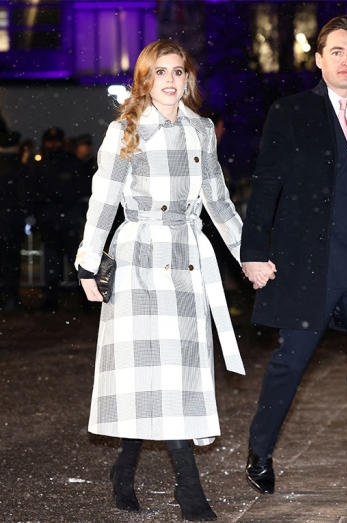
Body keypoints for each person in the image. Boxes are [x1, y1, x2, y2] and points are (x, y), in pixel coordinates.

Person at [241, 15, 347, 511]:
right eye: (336, 51)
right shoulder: (290, 112)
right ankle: (260, 449)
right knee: (290, 362)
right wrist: (254, 251)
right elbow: (266, 183)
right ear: (318, 59)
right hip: (308, 263)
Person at [74, 39, 246, 521]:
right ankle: (189, 489)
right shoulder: (125, 129)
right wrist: (89, 261)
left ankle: (124, 468)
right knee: (154, 371)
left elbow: (220, 201)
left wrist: (249, 256)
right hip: (139, 260)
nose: (170, 81)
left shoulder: (201, 130)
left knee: (175, 373)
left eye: (178, 72)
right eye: (159, 73)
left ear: (188, 78)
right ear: (145, 81)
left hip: (186, 257)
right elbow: (103, 199)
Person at [31, 126, 82, 310]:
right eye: (50, 141)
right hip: (51, 220)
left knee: (74, 260)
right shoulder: (40, 165)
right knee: (53, 262)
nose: (53, 145)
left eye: (55, 141)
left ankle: (83, 298)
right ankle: (52, 298)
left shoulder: (71, 163)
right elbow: (35, 194)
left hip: (65, 219)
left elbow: (79, 190)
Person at [0, 129, 24, 311]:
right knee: (12, 262)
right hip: (14, 221)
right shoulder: (20, 168)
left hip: (6, 219)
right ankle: (12, 298)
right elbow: (26, 195)